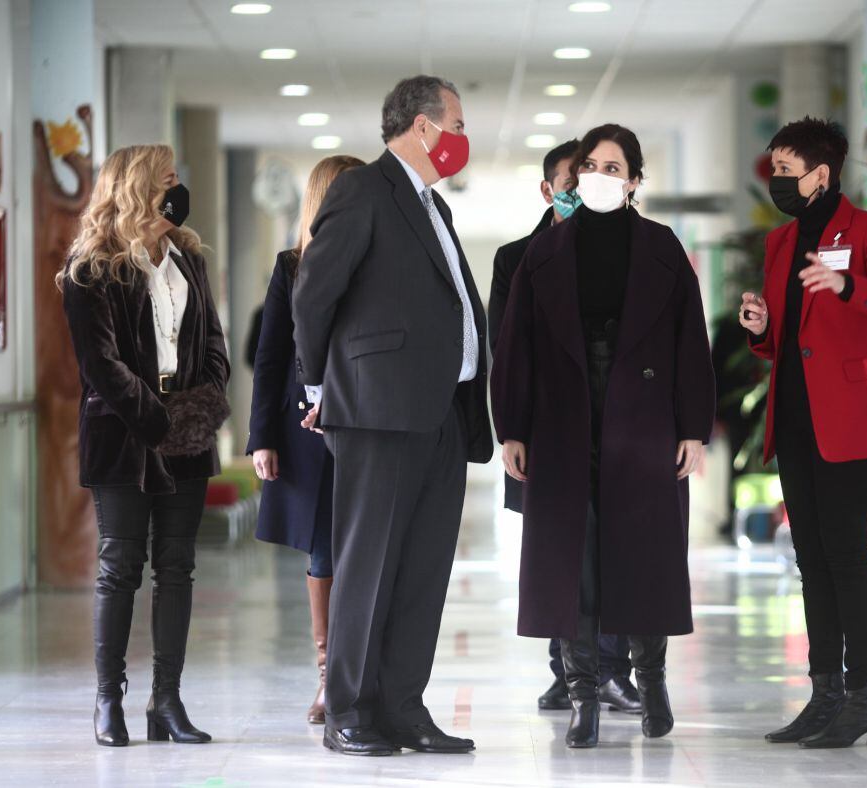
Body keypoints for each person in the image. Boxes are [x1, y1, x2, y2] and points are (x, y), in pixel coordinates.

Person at [491, 124, 716, 748]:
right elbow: (517, 350)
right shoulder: (544, 254)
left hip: (643, 428)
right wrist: (511, 427)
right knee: (576, 569)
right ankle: (582, 698)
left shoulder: (664, 249)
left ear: (635, 180)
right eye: (591, 164)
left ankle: (652, 683)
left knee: (642, 563)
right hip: (564, 428)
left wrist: (693, 428)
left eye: (613, 167)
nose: (599, 175)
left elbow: (690, 346)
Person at [291, 75, 493, 756]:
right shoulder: (363, 190)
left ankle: (403, 707)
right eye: (457, 123)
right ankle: (350, 709)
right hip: (377, 412)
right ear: (422, 125)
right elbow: (314, 294)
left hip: (440, 411)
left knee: (422, 571)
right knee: (368, 566)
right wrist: (317, 386)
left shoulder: (434, 205)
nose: (463, 137)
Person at [740, 117, 867, 749]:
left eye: (787, 172)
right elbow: (784, 341)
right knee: (810, 561)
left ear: (821, 174)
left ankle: (865, 697)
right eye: (775, 172)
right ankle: (823, 697)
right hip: (793, 416)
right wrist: (759, 324)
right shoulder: (781, 243)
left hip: (849, 419)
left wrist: (847, 284)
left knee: (847, 557)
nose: (778, 182)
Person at [57, 144, 231, 747]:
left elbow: (212, 342)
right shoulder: (91, 268)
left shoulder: (188, 259)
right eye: (166, 180)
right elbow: (100, 365)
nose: (176, 191)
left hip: (186, 431)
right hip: (124, 435)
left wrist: (201, 408)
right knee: (119, 567)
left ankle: (168, 701)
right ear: (134, 188)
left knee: (177, 567)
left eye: (178, 179)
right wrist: (158, 421)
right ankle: (109, 702)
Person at [487, 139, 641, 716]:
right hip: (549, 427)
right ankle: (569, 671)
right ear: (549, 190)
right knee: (561, 554)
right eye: (571, 184)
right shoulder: (517, 257)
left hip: (617, 426)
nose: (583, 192)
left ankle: (612, 670)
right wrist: (513, 431)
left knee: (617, 547)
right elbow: (505, 346)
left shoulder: (631, 247)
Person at [246, 154, 365, 725]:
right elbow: (269, 358)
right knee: (323, 553)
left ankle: (361, 676)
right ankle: (327, 679)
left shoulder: (379, 262)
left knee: (368, 552)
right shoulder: (291, 266)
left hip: (368, 427)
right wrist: (260, 437)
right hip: (306, 434)